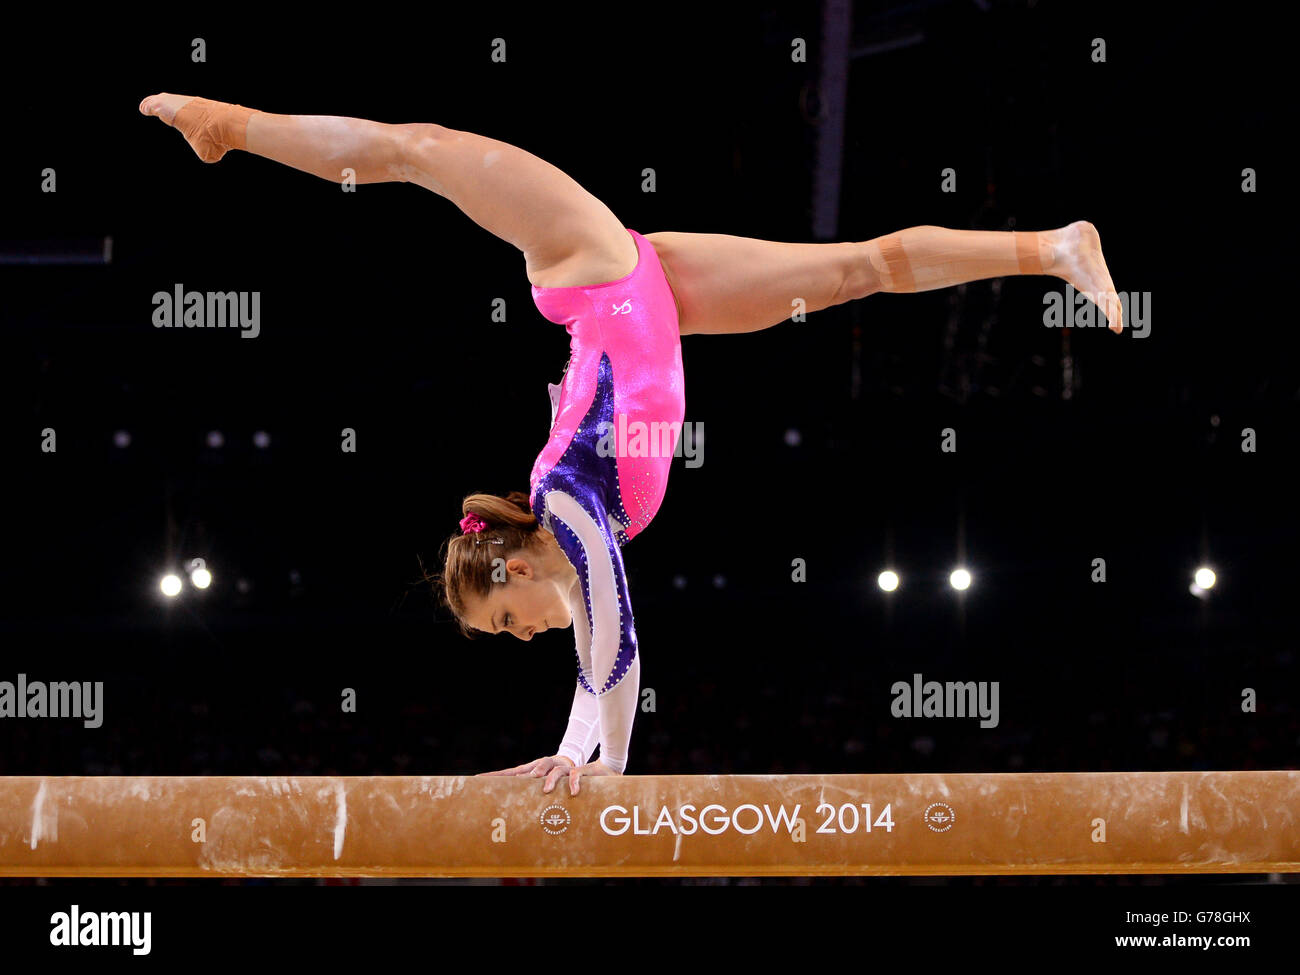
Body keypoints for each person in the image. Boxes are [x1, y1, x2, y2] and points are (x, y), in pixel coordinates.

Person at [140, 93, 1121, 795]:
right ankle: (1052, 248)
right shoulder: (579, 535)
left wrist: (607, 771)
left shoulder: (569, 501)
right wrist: (576, 759)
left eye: (505, 619)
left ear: (512, 559)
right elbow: (594, 641)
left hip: (590, 264)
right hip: (651, 286)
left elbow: (614, 644)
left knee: (419, 149)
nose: (521, 635)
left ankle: (233, 128)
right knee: (857, 270)